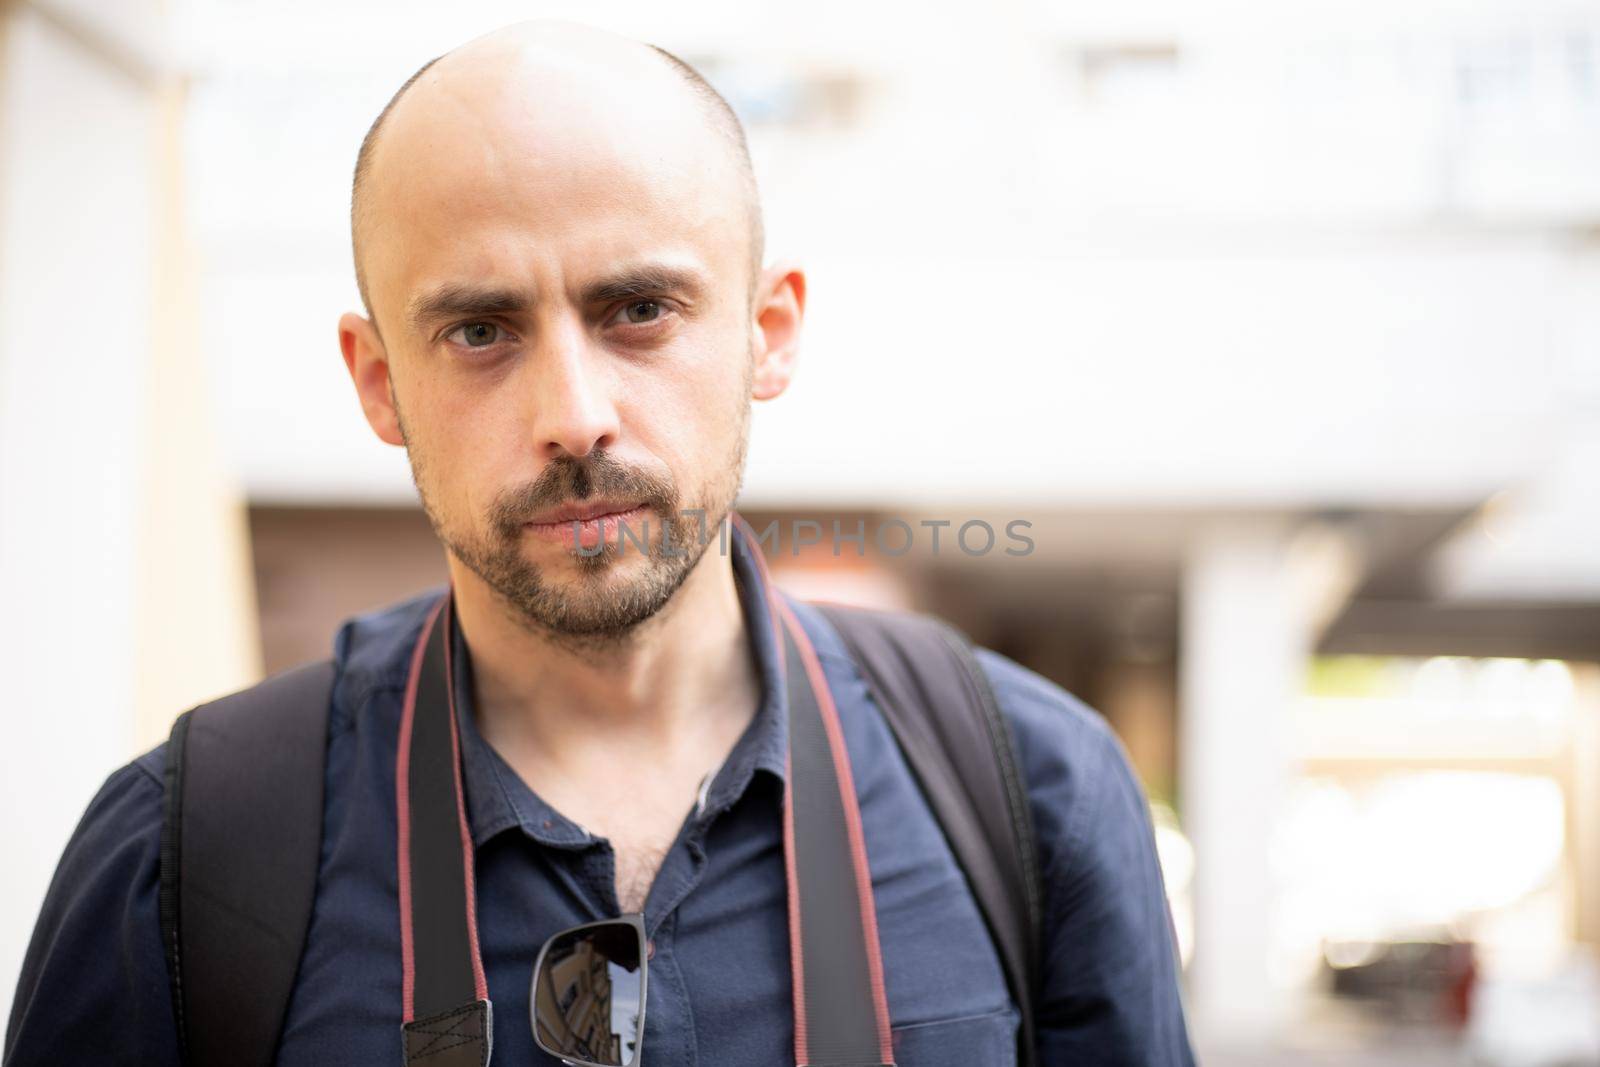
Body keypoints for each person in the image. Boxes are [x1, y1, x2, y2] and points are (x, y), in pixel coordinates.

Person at [3, 21, 1194, 1067]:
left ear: (766, 332)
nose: (573, 413)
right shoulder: (186, 855)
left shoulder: (1034, 797)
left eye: (637, 310)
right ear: (378, 383)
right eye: (480, 329)